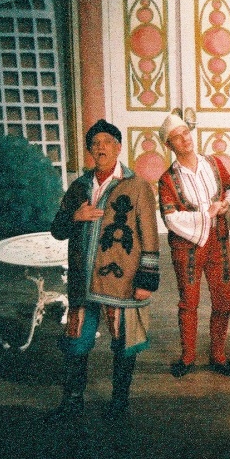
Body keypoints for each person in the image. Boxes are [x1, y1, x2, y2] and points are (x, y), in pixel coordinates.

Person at [46, 119, 160, 423]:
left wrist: (147, 279)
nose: (100, 148)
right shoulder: (79, 187)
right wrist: (75, 216)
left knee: (123, 342)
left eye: (107, 142)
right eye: (95, 144)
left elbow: (149, 234)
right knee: (76, 340)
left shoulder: (136, 186)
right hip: (83, 278)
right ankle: (72, 403)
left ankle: (119, 403)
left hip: (120, 280)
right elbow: (57, 230)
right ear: (89, 151)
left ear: (118, 148)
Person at [158, 113, 230, 378]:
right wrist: (207, 214)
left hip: (219, 241)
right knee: (188, 302)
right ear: (169, 145)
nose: (185, 139)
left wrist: (226, 204)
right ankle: (187, 357)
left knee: (223, 299)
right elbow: (170, 217)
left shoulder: (214, 163)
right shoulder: (167, 179)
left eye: (186, 133)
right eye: (177, 137)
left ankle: (218, 355)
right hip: (187, 247)